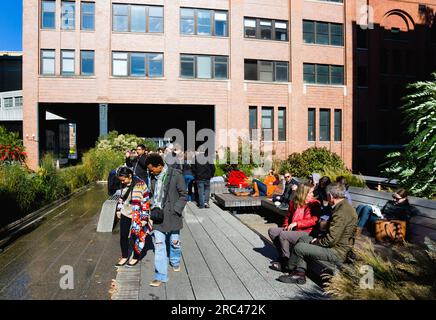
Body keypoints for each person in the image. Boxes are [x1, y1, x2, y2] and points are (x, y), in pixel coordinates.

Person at [278, 183, 358, 284]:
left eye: (327, 195)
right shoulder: (342, 206)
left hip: (337, 252)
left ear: (331, 196)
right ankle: (300, 272)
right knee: (303, 239)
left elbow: (331, 240)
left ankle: (288, 267)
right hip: (334, 245)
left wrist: (317, 242)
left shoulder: (341, 212)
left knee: (299, 248)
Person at [145, 153, 187, 287]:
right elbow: (152, 194)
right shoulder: (152, 177)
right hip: (158, 216)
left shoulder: (176, 174)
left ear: (160, 165)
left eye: (152, 169)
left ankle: (175, 261)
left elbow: (184, 195)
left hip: (173, 214)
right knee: (159, 245)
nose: (150, 171)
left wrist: (176, 209)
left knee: (175, 242)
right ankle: (160, 275)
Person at [268, 183, 321, 272]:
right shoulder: (294, 202)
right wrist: (285, 225)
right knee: (272, 231)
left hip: (307, 232)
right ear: (303, 193)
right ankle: (283, 255)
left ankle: (286, 261)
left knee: (284, 235)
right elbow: (287, 217)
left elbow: (314, 220)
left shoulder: (315, 204)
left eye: (312, 192)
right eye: (310, 192)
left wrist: (297, 223)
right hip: (294, 229)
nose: (313, 194)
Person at [115, 167, 152, 267]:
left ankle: (135, 257)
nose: (122, 182)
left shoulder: (141, 184)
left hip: (137, 214)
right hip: (125, 212)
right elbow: (121, 198)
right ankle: (124, 256)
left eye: (124, 180)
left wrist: (144, 217)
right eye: (121, 180)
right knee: (123, 235)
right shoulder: (123, 184)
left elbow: (145, 201)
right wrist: (119, 209)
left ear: (130, 176)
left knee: (137, 235)